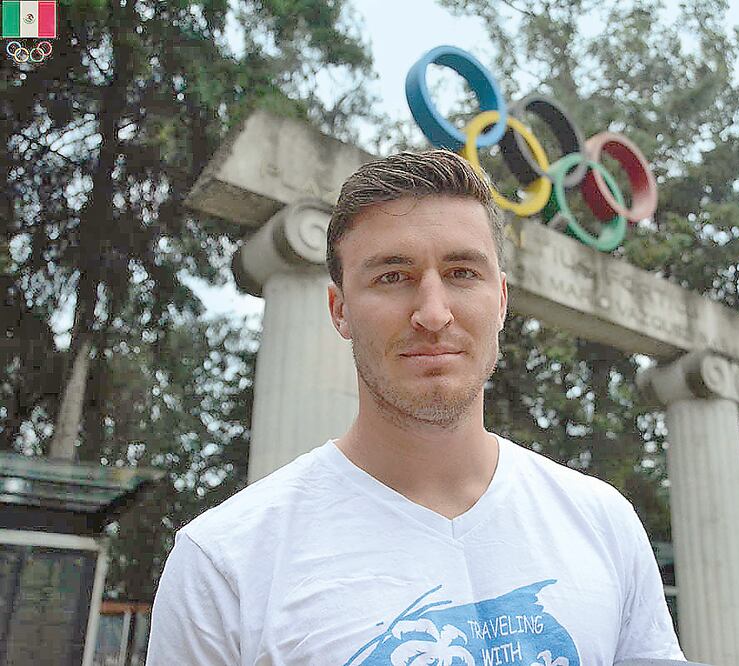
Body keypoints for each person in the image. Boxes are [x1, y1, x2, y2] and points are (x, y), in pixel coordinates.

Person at [147, 150, 686, 665]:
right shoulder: (223, 563)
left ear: (500, 301)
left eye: (462, 273)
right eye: (392, 277)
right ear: (340, 311)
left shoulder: (602, 522)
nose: (432, 313)